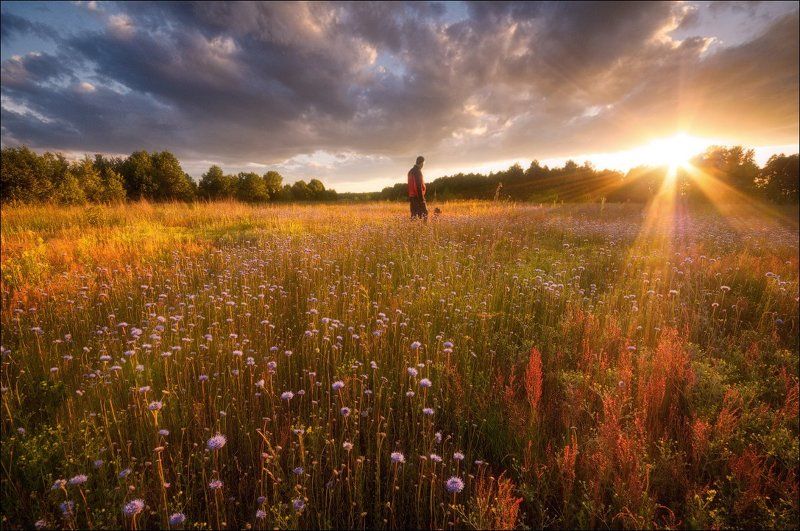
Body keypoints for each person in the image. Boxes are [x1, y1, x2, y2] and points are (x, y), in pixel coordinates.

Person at [408, 155, 428, 220]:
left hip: (412, 197)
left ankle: (412, 229)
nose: (423, 165)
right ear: (421, 163)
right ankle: (424, 229)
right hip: (417, 197)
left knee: (414, 215)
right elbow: (417, 186)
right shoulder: (417, 171)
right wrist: (421, 199)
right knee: (424, 213)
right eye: (423, 163)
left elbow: (410, 186)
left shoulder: (410, 171)